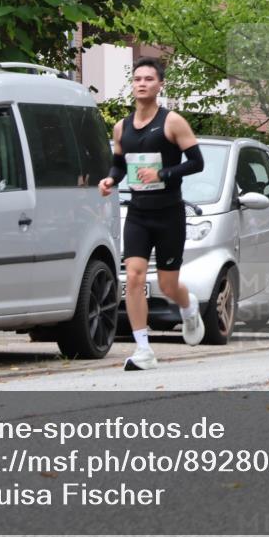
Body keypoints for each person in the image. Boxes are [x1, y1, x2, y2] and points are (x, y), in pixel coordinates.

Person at [99, 57, 205, 370]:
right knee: (133, 276)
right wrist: (110, 180)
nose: (142, 84)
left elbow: (197, 162)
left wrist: (162, 174)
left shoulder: (172, 122)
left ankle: (188, 306)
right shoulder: (121, 127)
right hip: (138, 214)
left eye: (148, 79)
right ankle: (143, 349)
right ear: (132, 85)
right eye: (137, 79)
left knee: (169, 285)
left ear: (160, 85)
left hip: (169, 213)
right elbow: (119, 165)